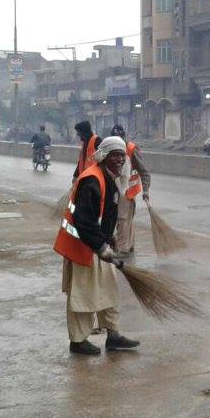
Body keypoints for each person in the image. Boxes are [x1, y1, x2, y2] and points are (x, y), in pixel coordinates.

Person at [54, 136, 140, 355]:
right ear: (104, 156)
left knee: (109, 291)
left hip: (96, 244)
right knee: (83, 296)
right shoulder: (91, 180)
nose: (120, 159)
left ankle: (113, 335)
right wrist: (101, 248)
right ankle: (78, 341)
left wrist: (107, 239)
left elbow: (102, 215)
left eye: (122, 155)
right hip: (81, 248)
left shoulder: (108, 178)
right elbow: (84, 221)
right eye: (115, 155)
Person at [110, 124, 151, 256]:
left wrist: (146, 191)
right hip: (117, 189)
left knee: (122, 219)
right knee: (125, 219)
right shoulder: (110, 150)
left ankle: (122, 249)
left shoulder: (131, 149)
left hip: (128, 191)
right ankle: (130, 246)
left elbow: (144, 172)